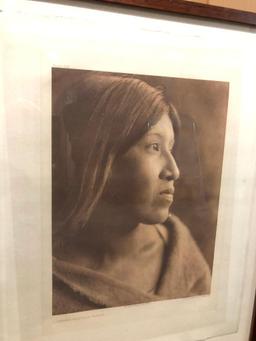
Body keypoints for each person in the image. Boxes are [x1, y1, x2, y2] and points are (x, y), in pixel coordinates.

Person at [52, 72, 211, 315]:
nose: (174, 171)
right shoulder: (46, 273)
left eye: (171, 149)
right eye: (154, 147)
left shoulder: (181, 253)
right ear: (102, 157)